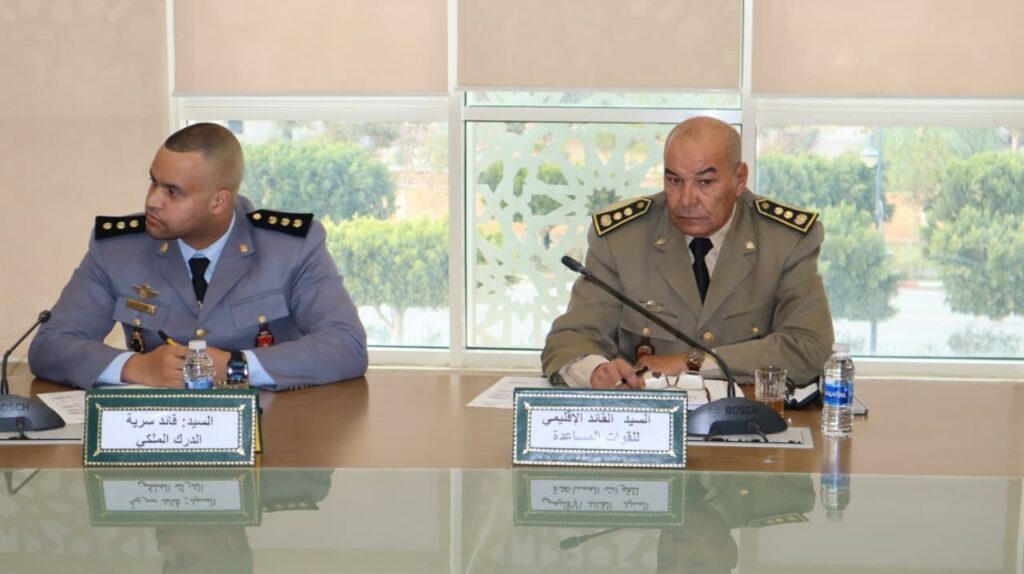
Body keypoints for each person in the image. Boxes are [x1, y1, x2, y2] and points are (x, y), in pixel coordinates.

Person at [29, 123, 367, 390]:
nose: (152, 201)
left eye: (172, 191)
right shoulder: (118, 249)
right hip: (155, 433)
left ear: (219, 201)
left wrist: (236, 366)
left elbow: (346, 344)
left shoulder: (290, 247)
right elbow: (50, 345)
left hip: (272, 433)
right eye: (153, 183)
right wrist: (136, 367)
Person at [542, 116, 834, 390]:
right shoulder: (621, 240)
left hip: (751, 414)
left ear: (739, 178)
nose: (686, 199)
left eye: (705, 182)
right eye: (674, 180)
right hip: (648, 417)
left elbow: (808, 346)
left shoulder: (784, 240)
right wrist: (596, 371)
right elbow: (570, 339)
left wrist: (691, 362)